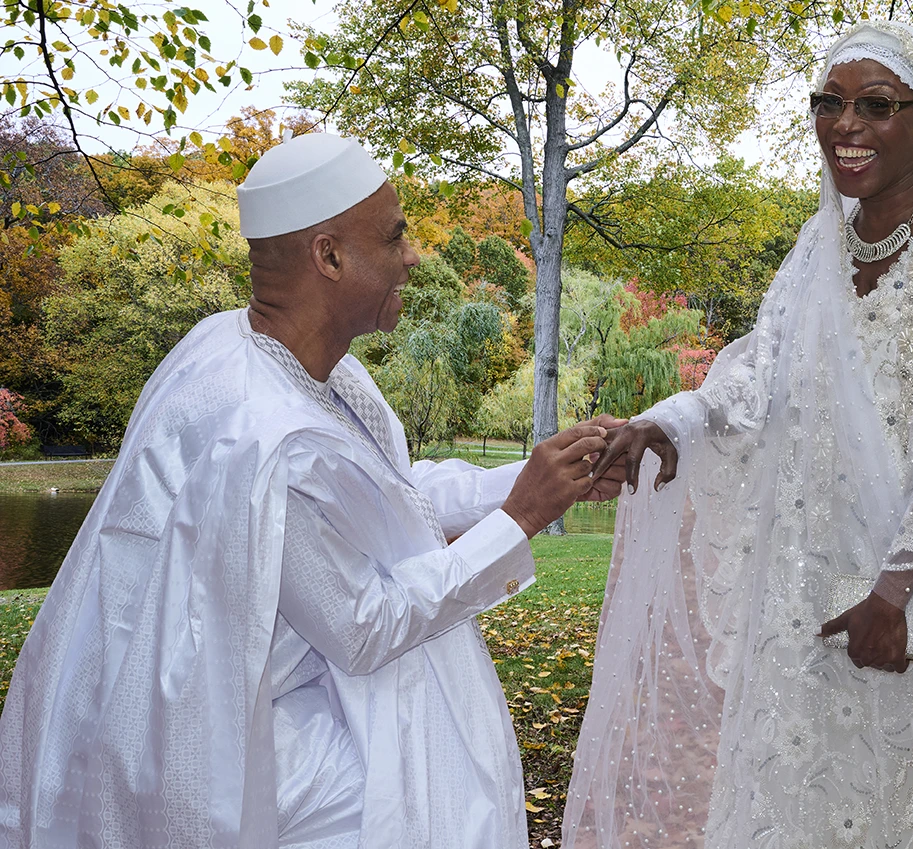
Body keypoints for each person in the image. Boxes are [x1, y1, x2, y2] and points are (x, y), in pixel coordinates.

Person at [0, 132, 624, 848]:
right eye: (394, 237)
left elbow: (386, 498)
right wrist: (522, 515)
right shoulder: (257, 434)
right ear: (328, 257)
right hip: (262, 765)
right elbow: (364, 626)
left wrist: (540, 478)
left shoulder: (270, 353)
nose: (415, 255)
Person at [563, 21, 913, 849]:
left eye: (876, 105)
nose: (845, 124)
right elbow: (759, 370)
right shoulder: (818, 245)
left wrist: (892, 593)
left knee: (901, 807)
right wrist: (669, 420)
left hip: (911, 606)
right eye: (829, 102)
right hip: (801, 604)